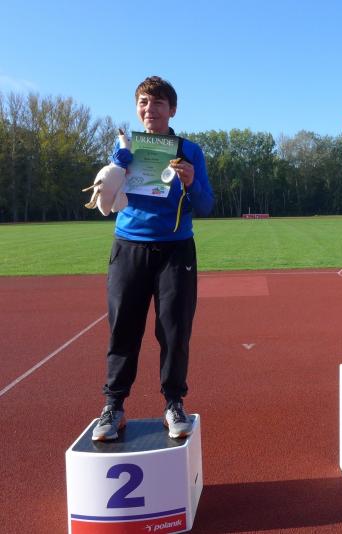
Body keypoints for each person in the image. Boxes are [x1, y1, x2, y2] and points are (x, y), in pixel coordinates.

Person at [92, 76, 215, 441]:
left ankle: (174, 402)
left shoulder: (189, 150)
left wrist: (191, 182)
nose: (150, 109)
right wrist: (116, 168)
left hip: (175, 250)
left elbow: (206, 205)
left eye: (158, 103)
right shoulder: (125, 147)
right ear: (137, 109)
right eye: (144, 103)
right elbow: (107, 198)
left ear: (172, 110)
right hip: (129, 246)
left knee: (175, 331)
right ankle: (113, 405)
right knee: (123, 329)